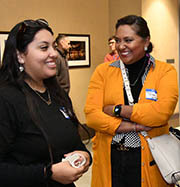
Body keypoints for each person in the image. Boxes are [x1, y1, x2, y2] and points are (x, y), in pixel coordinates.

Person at [84, 15, 178, 187]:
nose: (121, 46)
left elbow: (161, 113)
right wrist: (133, 126)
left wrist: (117, 110)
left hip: (151, 157)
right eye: (118, 40)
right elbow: (92, 115)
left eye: (128, 40)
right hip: (111, 158)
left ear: (146, 41)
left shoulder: (165, 72)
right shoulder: (103, 72)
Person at [0, 18, 91, 187]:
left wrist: (85, 156)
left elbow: (76, 144)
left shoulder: (59, 95)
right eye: (44, 48)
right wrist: (47, 173)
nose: (54, 54)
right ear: (20, 56)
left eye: (54, 47)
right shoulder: (6, 99)